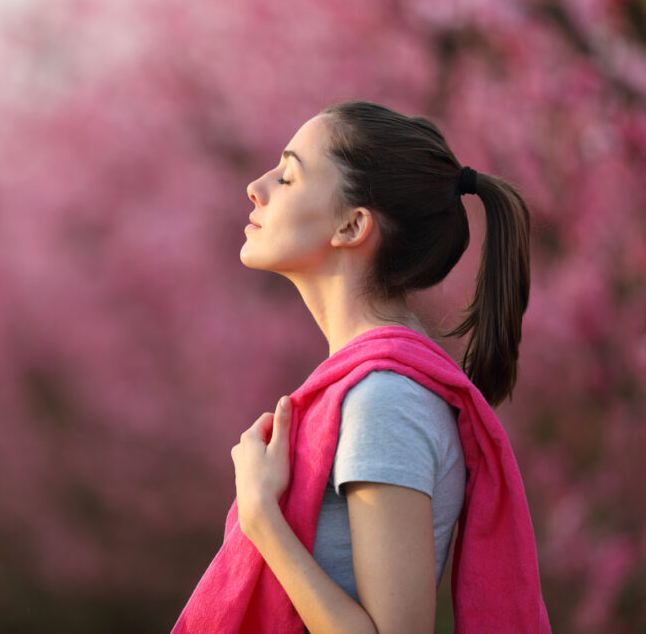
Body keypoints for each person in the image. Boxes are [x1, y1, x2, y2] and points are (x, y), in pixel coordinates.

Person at [173, 101, 550, 633]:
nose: (256, 187)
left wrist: (263, 519)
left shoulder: (385, 402)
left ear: (352, 226)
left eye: (287, 176)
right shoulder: (373, 390)